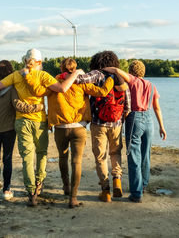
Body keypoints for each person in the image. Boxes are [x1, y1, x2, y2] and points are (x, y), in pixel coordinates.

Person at [0, 49, 83, 206]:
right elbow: (62, 88)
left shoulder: (16, 75)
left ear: (25, 60)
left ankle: (31, 193)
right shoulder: (43, 76)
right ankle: (39, 184)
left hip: (21, 121)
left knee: (26, 159)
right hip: (39, 121)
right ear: (39, 62)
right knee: (41, 154)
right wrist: (76, 72)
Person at [24, 58, 114, 208]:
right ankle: (73, 197)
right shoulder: (82, 82)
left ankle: (66, 187)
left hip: (60, 128)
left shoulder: (54, 83)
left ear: (61, 68)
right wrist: (110, 78)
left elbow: (38, 90)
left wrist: (28, 75)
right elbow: (103, 92)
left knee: (62, 157)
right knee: (76, 161)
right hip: (79, 128)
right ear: (75, 68)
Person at [103, 60, 167, 203]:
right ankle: (142, 185)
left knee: (134, 156)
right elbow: (157, 107)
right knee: (146, 155)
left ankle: (136, 193)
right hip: (149, 119)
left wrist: (103, 68)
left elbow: (117, 71)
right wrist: (161, 127)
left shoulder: (132, 80)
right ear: (143, 71)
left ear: (131, 71)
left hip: (135, 118)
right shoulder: (151, 85)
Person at [0, 60, 44, 201]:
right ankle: (7, 189)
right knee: (7, 158)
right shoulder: (12, 89)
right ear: (10, 73)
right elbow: (18, 106)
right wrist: (38, 107)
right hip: (9, 129)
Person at [75, 51, 131, 202]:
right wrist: (120, 119)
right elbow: (128, 105)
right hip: (117, 123)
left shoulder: (96, 74)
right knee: (115, 153)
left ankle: (105, 190)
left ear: (96, 62)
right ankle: (117, 180)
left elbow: (79, 80)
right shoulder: (120, 78)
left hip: (98, 122)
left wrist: (77, 71)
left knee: (100, 157)